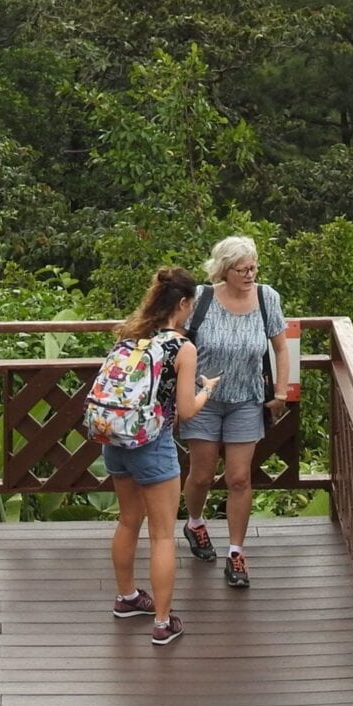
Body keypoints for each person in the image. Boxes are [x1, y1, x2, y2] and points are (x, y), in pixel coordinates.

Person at [105, 265, 218, 646]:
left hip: (117, 438)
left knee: (127, 521)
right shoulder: (181, 347)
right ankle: (163, 622)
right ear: (183, 304)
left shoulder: (132, 334)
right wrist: (207, 391)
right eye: (191, 306)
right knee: (163, 536)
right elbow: (186, 410)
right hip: (152, 444)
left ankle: (126, 597)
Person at [179, 234, 287, 590]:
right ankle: (195, 522)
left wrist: (281, 392)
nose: (250, 274)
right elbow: (177, 341)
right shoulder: (202, 299)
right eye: (242, 269)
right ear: (224, 270)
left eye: (253, 267)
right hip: (202, 399)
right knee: (202, 474)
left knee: (239, 478)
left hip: (247, 399)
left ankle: (236, 552)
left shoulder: (267, 298)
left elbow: (281, 349)